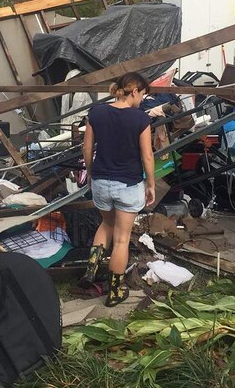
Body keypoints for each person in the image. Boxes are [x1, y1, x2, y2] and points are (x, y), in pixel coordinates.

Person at [80, 72, 155, 306]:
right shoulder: (140, 119)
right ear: (134, 91)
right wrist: (151, 184)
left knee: (106, 224)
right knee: (121, 240)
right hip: (128, 184)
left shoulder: (97, 112)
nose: (142, 100)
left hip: (101, 182)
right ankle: (114, 293)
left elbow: (87, 148)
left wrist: (92, 173)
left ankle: (91, 270)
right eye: (142, 95)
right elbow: (147, 156)